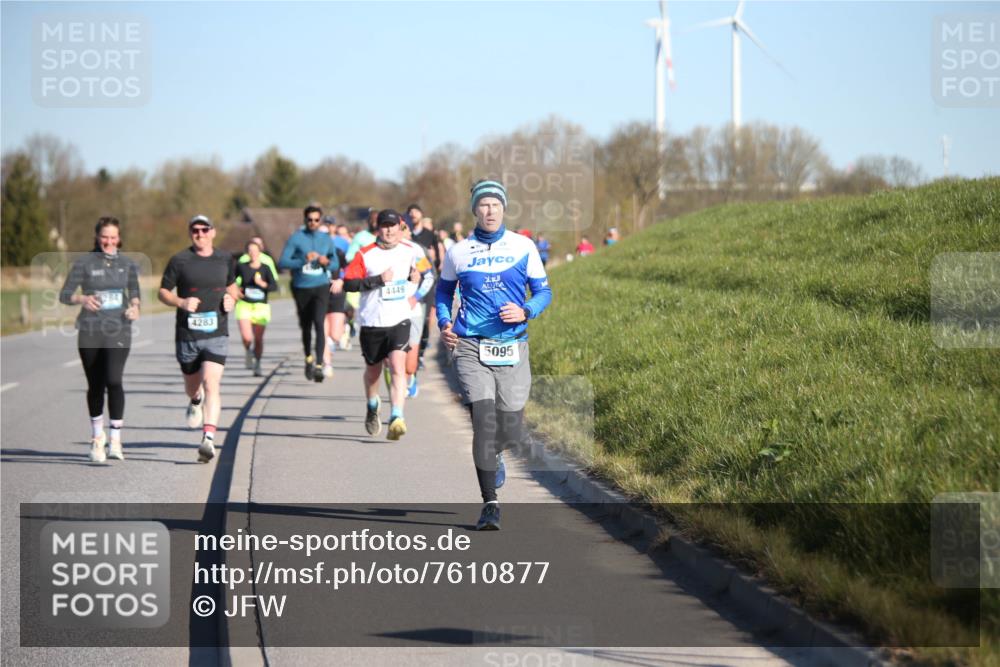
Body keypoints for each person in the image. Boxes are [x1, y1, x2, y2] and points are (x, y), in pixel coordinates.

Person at [436, 180, 552, 530]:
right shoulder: (459, 251)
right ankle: (490, 504)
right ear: (475, 210)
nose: (489, 211)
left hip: (513, 345)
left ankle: (499, 452)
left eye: (495, 205)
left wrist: (526, 310)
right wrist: (445, 321)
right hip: (471, 344)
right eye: (483, 205)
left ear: (504, 209)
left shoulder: (523, 246)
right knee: (483, 425)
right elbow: (443, 292)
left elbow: (543, 292)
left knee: (511, 430)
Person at [344, 209, 433, 440]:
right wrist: (377, 280)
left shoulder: (412, 250)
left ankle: (397, 416)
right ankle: (372, 405)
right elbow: (349, 283)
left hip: (400, 318)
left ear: (399, 227)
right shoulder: (365, 254)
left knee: (397, 365)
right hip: (372, 321)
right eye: (385, 226)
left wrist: (418, 278)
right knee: (373, 372)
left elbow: (427, 273)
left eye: (393, 226)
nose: (389, 230)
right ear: (378, 228)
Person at [59, 217, 141, 463]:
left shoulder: (127, 263)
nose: (109, 241)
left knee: (114, 380)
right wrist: (82, 300)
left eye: (113, 237)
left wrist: (135, 307)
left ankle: (115, 439)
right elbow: (65, 294)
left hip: (119, 329)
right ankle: (97, 438)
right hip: (90, 329)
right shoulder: (84, 262)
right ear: (97, 237)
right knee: (95, 385)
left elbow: (134, 292)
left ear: (119, 238)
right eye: (104, 236)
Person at [158, 215, 239, 463]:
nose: (200, 234)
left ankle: (209, 439)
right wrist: (181, 302)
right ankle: (195, 401)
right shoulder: (179, 260)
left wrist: (232, 299)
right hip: (188, 334)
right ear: (190, 233)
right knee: (194, 387)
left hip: (217, 332)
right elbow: (162, 292)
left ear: (213, 232)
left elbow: (233, 286)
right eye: (195, 230)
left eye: (205, 229)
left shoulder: (226, 259)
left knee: (211, 383)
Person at [278, 205, 339, 382]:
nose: (313, 222)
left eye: (316, 220)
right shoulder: (296, 238)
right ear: (305, 220)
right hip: (301, 287)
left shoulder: (325, 239)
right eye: (309, 220)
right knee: (306, 326)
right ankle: (308, 358)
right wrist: (302, 260)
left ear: (320, 221)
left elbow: (335, 264)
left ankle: (319, 364)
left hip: (320, 286)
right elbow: (283, 262)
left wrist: (325, 261)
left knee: (320, 323)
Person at [235, 240, 278, 376]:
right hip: (244, 305)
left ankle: (257, 363)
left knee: (258, 339)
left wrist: (262, 284)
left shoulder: (265, 267)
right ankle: (248, 351)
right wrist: (237, 290)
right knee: (247, 337)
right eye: (250, 251)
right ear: (247, 253)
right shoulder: (241, 266)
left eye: (255, 251)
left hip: (261, 306)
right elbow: (230, 281)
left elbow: (274, 286)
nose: (253, 253)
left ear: (260, 252)